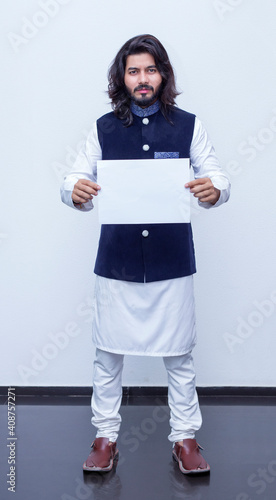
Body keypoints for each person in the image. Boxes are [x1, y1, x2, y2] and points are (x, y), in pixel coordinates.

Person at [60, 34, 230, 475]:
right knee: (107, 353)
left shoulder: (189, 125)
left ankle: (185, 438)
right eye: (133, 70)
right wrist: (73, 190)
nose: (142, 78)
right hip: (117, 261)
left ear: (163, 74)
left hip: (171, 260)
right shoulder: (102, 128)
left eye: (150, 69)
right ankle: (105, 437)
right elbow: (75, 176)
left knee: (180, 354)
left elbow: (215, 174)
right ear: (122, 77)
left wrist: (216, 190)